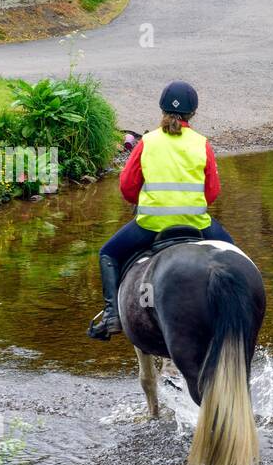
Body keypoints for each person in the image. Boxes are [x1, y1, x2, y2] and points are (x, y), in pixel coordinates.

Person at [87, 81, 235, 341]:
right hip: (197, 224)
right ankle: (235, 311)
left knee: (108, 253)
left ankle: (111, 316)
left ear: (162, 110)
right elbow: (212, 192)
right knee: (234, 255)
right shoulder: (202, 144)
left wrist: (145, 202)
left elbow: (127, 187)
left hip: (150, 225)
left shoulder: (147, 142)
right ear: (193, 113)